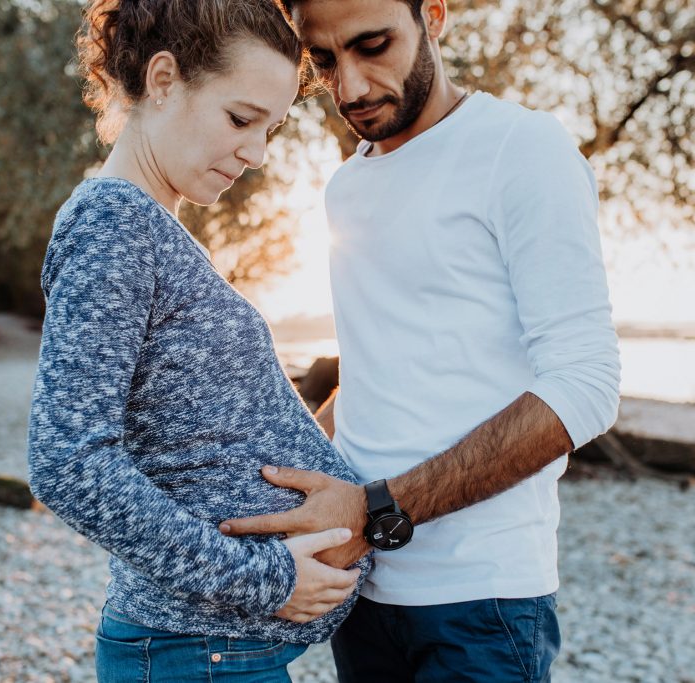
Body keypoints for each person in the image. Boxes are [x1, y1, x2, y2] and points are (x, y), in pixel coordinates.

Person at [218, 0, 622, 680]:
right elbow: (379, 372)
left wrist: (373, 509)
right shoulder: (346, 187)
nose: (348, 87)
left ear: (434, 16)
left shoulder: (523, 150)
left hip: (483, 603)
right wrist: (281, 472)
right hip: (363, 594)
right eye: (324, 61)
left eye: (373, 45)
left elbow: (586, 385)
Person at [26, 1, 367, 680]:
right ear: (162, 79)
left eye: (270, 129)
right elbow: (66, 459)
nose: (257, 153)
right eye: (241, 119)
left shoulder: (151, 230)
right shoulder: (114, 225)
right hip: (198, 651)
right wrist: (262, 579)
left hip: (210, 649)